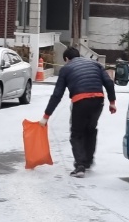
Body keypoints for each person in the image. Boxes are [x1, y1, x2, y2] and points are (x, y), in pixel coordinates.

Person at [41, 46, 117, 178]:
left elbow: (57, 95)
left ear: (66, 58)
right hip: (98, 100)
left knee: (76, 134)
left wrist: (46, 116)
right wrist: (112, 103)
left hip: (81, 101)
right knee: (91, 129)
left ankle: (80, 166)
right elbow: (109, 83)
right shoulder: (96, 64)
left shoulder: (66, 69)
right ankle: (88, 161)